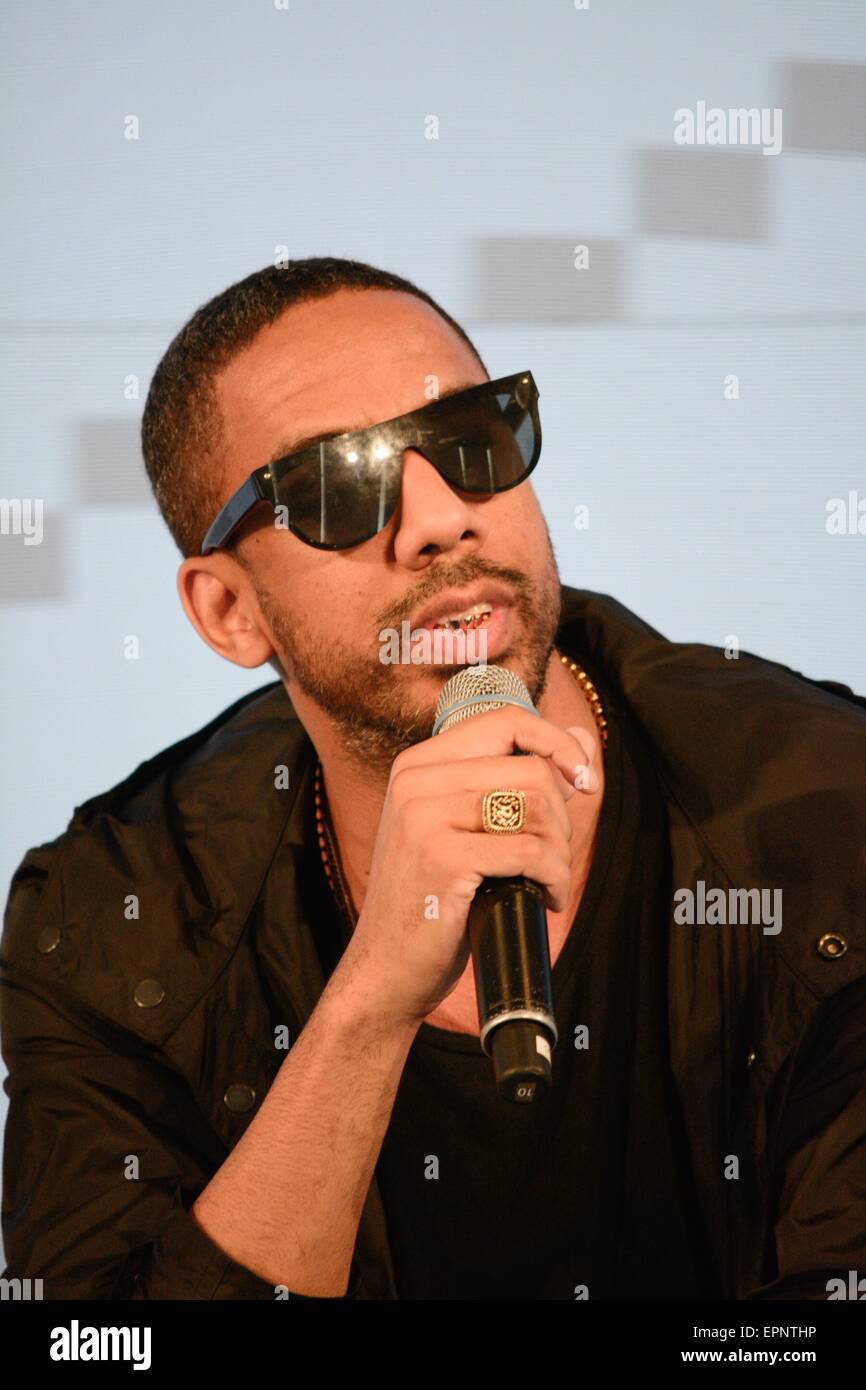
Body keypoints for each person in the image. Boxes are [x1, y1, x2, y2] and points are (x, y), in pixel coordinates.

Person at [2, 257, 865, 1301]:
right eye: (337, 487)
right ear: (231, 610)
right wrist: (368, 1007)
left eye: (471, 440)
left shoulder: (829, 810)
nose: (440, 518)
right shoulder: (109, 924)